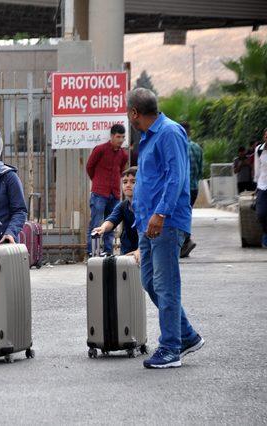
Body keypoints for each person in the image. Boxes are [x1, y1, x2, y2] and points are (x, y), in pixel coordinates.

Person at [127, 88, 205, 369]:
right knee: (149, 281)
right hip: (147, 224)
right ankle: (186, 335)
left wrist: (160, 213)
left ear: (135, 112)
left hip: (166, 223)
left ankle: (171, 347)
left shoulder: (170, 132)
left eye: (129, 113)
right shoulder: (149, 137)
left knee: (166, 284)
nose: (129, 119)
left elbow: (177, 177)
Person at [85, 124, 129, 257]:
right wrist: (98, 181)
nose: (121, 140)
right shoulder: (100, 150)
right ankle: (92, 252)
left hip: (114, 193)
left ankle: (108, 251)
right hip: (99, 193)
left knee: (111, 223)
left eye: (122, 137)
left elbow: (121, 170)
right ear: (112, 136)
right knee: (96, 223)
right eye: (118, 137)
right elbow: (89, 167)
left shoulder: (123, 154)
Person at [91, 167, 140, 261]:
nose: (128, 185)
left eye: (133, 182)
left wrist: (140, 249)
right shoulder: (123, 205)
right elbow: (112, 219)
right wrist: (103, 228)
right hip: (127, 249)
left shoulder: (147, 206)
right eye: (125, 182)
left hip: (144, 249)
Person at [180, 122, 203, 258]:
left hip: (183, 188)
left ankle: (185, 241)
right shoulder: (197, 148)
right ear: (190, 132)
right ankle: (186, 241)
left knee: (182, 214)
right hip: (194, 187)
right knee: (187, 213)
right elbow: (201, 170)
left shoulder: (180, 147)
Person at [254, 129, 267, 248]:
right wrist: (255, 187)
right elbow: (257, 170)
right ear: (264, 137)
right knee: (261, 214)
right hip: (263, 186)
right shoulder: (259, 150)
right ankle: (266, 232)